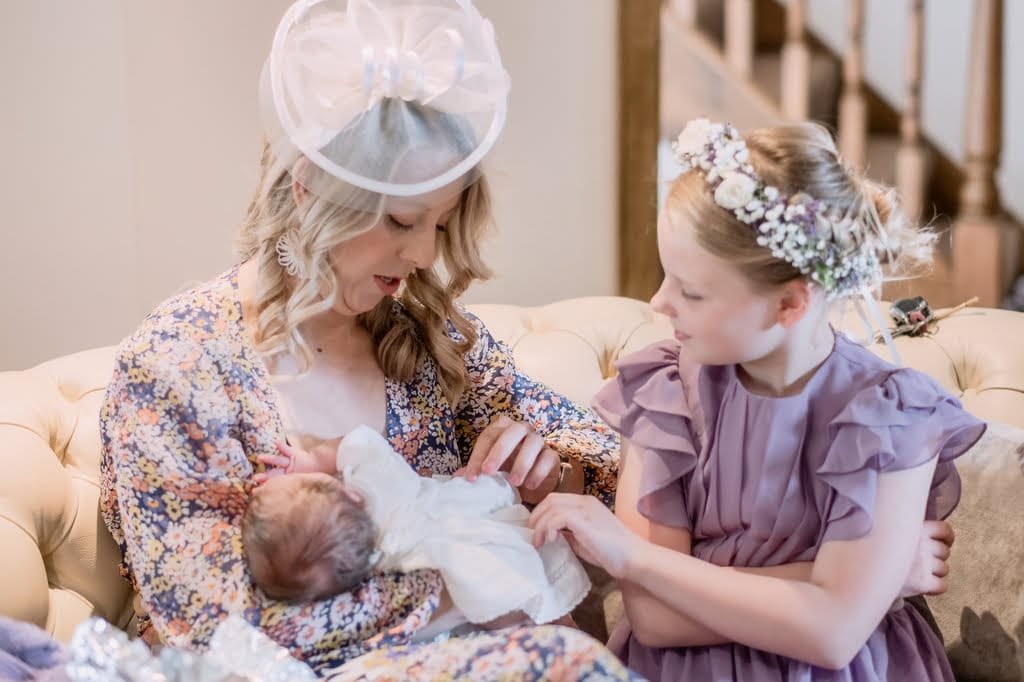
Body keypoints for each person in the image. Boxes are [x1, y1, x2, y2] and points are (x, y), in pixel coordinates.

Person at [99, 1, 627, 678]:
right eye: (403, 221)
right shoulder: (177, 366)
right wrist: (475, 573)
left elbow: (610, 467)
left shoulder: (426, 336)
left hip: (485, 655)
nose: (424, 255)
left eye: (441, 225)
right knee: (565, 661)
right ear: (310, 190)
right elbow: (212, 626)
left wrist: (548, 475)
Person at [528, 119, 987, 680]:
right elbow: (655, 619)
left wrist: (637, 557)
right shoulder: (661, 393)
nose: (658, 303)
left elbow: (832, 634)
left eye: (691, 291)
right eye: (667, 276)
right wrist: (870, 580)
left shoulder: (891, 417)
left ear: (790, 304)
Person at [243, 425, 590, 631]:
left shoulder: (374, 565)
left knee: (514, 598)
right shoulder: (373, 485)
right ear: (349, 493)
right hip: (474, 512)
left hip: (471, 538)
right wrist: (310, 460)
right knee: (523, 594)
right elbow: (356, 443)